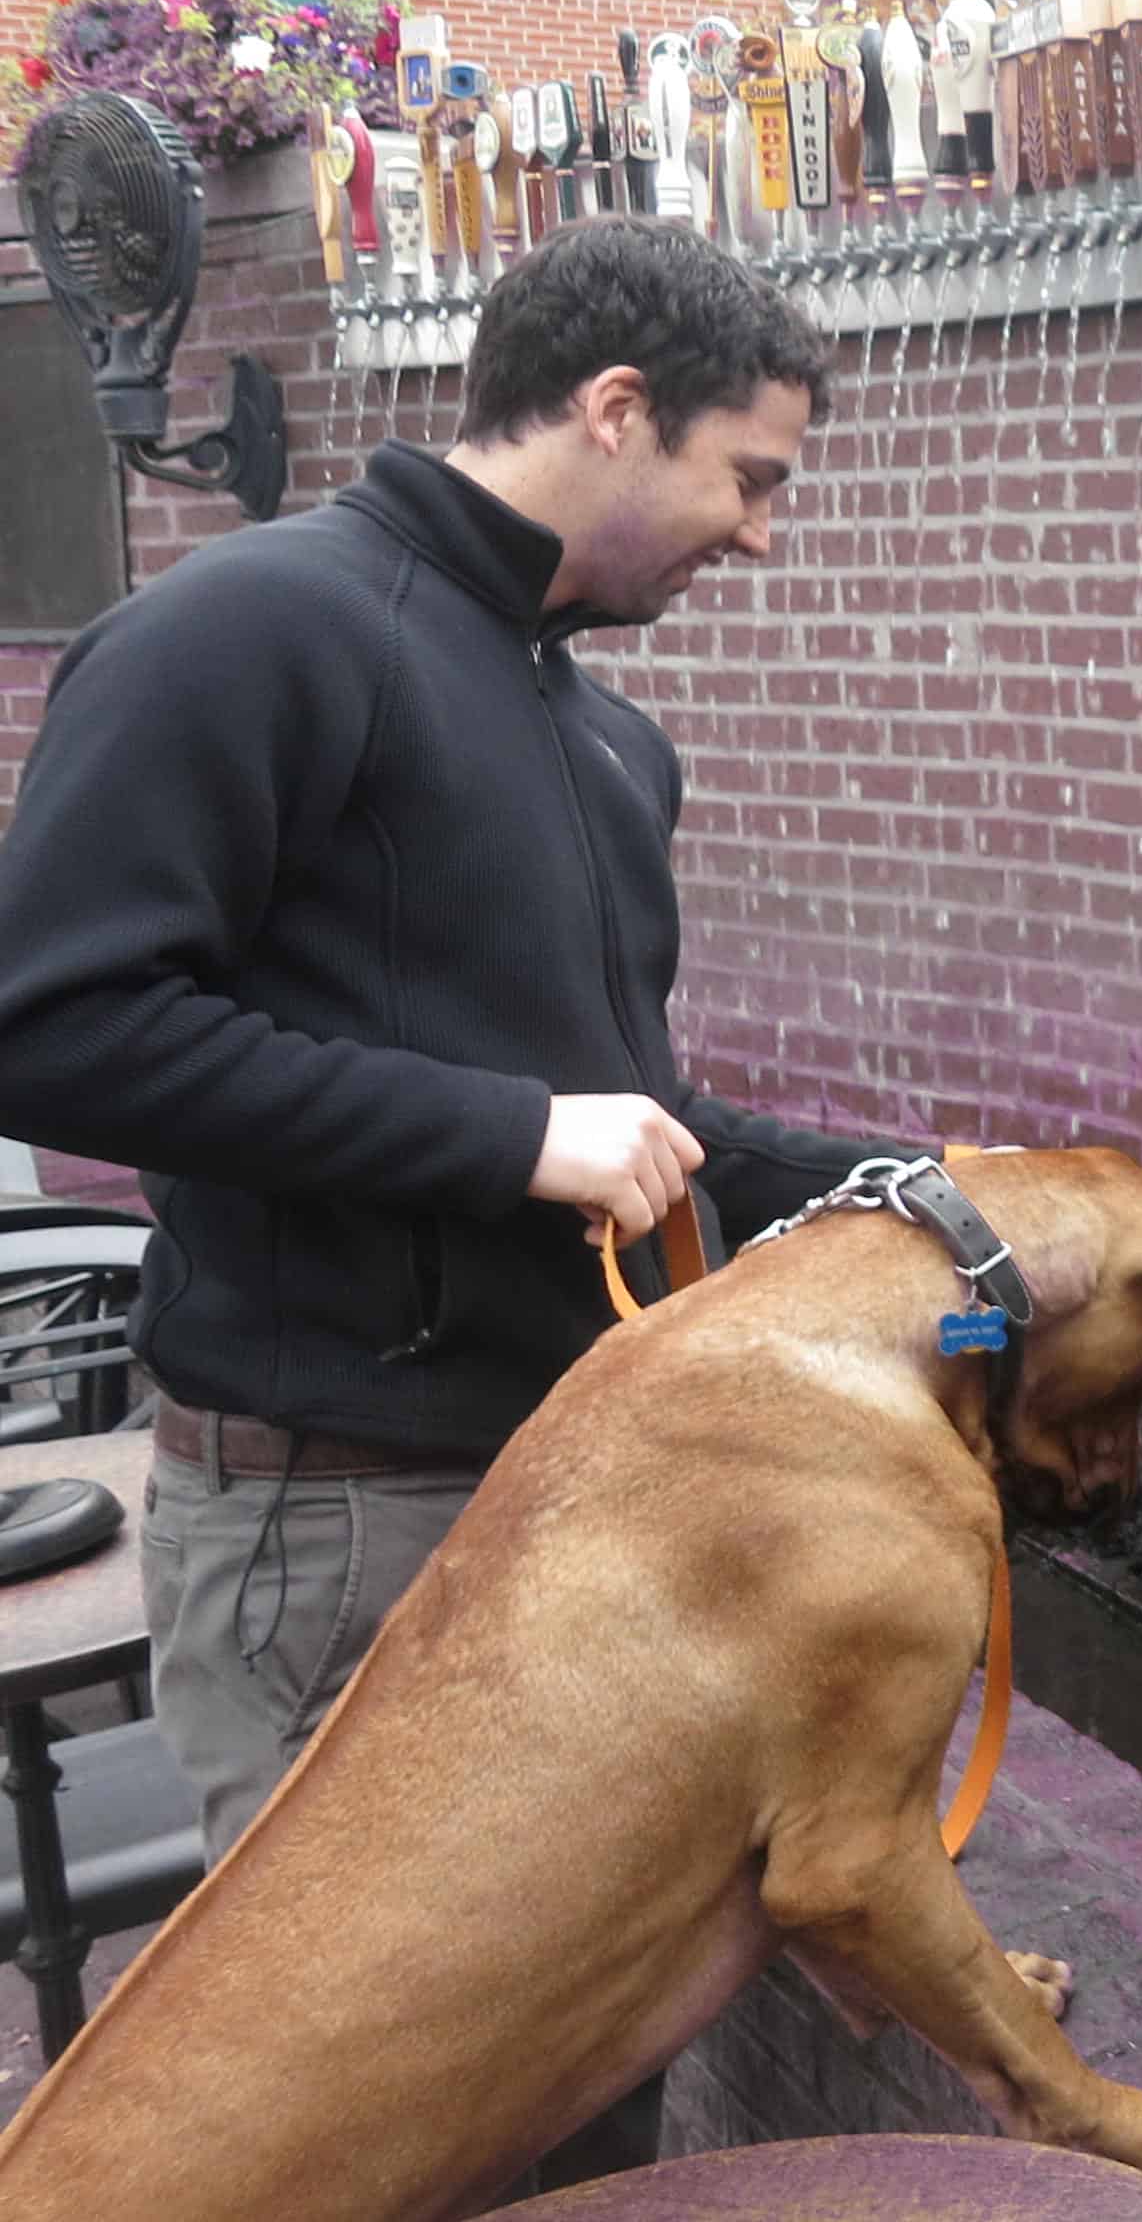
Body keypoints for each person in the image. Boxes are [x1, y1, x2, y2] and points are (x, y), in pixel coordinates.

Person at [0, 220, 885, 2180]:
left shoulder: (597, 735)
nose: (761, 538)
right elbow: (51, 1030)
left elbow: (632, 1127)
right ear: (614, 410)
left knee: (578, 2102)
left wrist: (917, 1193)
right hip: (338, 1528)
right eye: (749, 479)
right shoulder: (249, 632)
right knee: (397, 2137)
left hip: (562, 1497)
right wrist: (501, 1136)